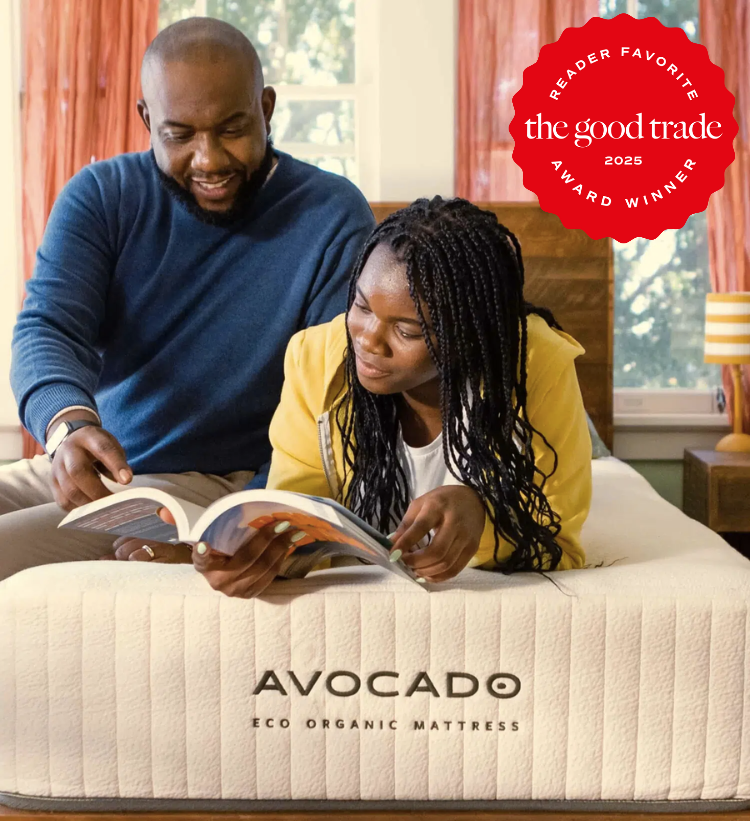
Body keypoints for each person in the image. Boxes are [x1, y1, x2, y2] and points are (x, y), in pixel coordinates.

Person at [0, 16, 373, 582]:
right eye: (180, 135)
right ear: (147, 120)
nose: (209, 160)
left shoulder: (332, 215)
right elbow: (48, 328)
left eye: (231, 128)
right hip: (99, 463)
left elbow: (334, 404)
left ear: (266, 109)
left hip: (214, 484)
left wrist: (246, 519)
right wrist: (68, 427)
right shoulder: (101, 197)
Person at [120, 197, 592, 596]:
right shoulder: (315, 358)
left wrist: (482, 514)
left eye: (406, 330)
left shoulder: (537, 363)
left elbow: (559, 536)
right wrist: (253, 550)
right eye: (361, 307)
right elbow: (296, 507)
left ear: (468, 335)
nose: (368, 340)